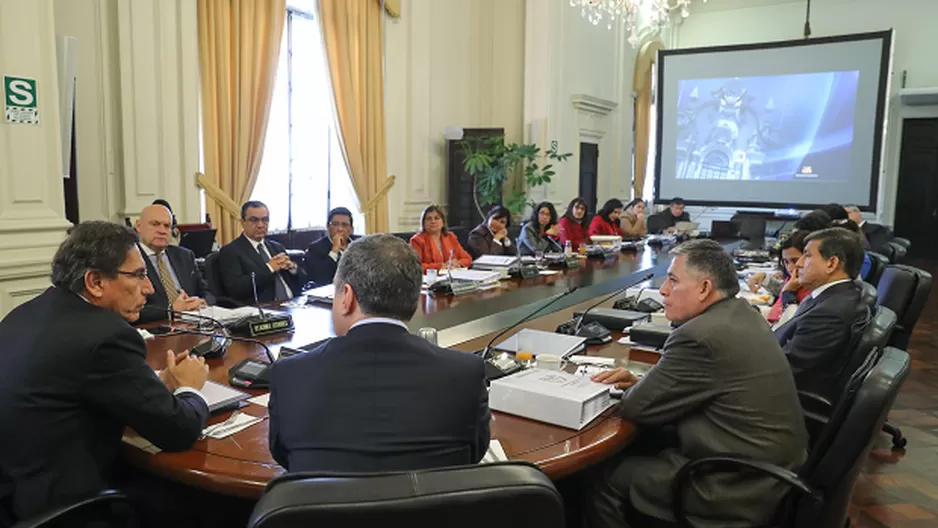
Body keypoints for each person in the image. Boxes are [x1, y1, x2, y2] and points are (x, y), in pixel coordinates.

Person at [588, 239, 807, 528]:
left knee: (601, 478)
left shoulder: (699, 336)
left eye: (673, 280)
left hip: (733, 486)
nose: (664, 290)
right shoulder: (744, 314)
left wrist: (639, 388)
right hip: (772, 471)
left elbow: (636, 408)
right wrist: (643, 382)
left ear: (704, 288)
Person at [0, 221, 209, 521]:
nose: (149, 289)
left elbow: (79, 387)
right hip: (60, 508)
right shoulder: (105, 335)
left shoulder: (24, 313)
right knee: (198, 504)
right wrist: (190, 388)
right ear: (95, 282)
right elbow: (177, 430)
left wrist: (153, 386)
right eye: (138, 275)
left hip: (12, 492)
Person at [268, 234, 491, 472]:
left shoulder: (289, 374)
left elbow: (284, 455)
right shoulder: (467, 373)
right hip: (433, 507)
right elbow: (474, 453)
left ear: (348, 297)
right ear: (415, 300)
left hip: (323, 507)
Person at [774, 227, 869, 399]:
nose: (799, 263)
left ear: (831, 263)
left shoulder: (830, 313)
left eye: (807, 256)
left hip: (783, 398)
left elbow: (784, 368)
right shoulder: (830, 296)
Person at [135, 204, 213, 322]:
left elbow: (207, 292)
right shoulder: (127, 259)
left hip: (193, 323)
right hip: (156, 328)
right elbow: (127, 310)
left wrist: (202, 301)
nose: (162, 231)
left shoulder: (185, 256)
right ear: (139, 226)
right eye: (155, 224)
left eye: (167, 226)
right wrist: (170, 310)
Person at [218, 201, 306, 303]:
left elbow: (303, 281)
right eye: (254, 220)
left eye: (265, 220)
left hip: (294, 303)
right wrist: (269, 268)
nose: (260, 225)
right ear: (242, 223)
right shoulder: (231, 251)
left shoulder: (276, 247)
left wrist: (292, 268)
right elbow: (237, 289)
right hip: (265, 308)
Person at [748, 231, 812, 325]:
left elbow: (791, 324)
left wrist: (788, 293)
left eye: (795, 260)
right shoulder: (793, 280)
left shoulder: (812, 290)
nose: (790, 268)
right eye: (786, 262)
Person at [305, 207, 359, 287]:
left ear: (351, 229)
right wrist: (335, 250)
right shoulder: (315, 248)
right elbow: (321, 279)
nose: (340, 229)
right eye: (335, 224)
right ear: (328, 226)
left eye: (344, 225)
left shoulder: (359, 244)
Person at [409, 205, 473, 272]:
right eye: (429, 219)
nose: (433, 221)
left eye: (436, 218)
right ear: (423, 223)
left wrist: (457, 263)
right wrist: (440, 266)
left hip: (452, 276)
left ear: (443, 222)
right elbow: (416, 266)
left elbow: (468, 259)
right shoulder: (417, 240)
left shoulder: (450, 237)